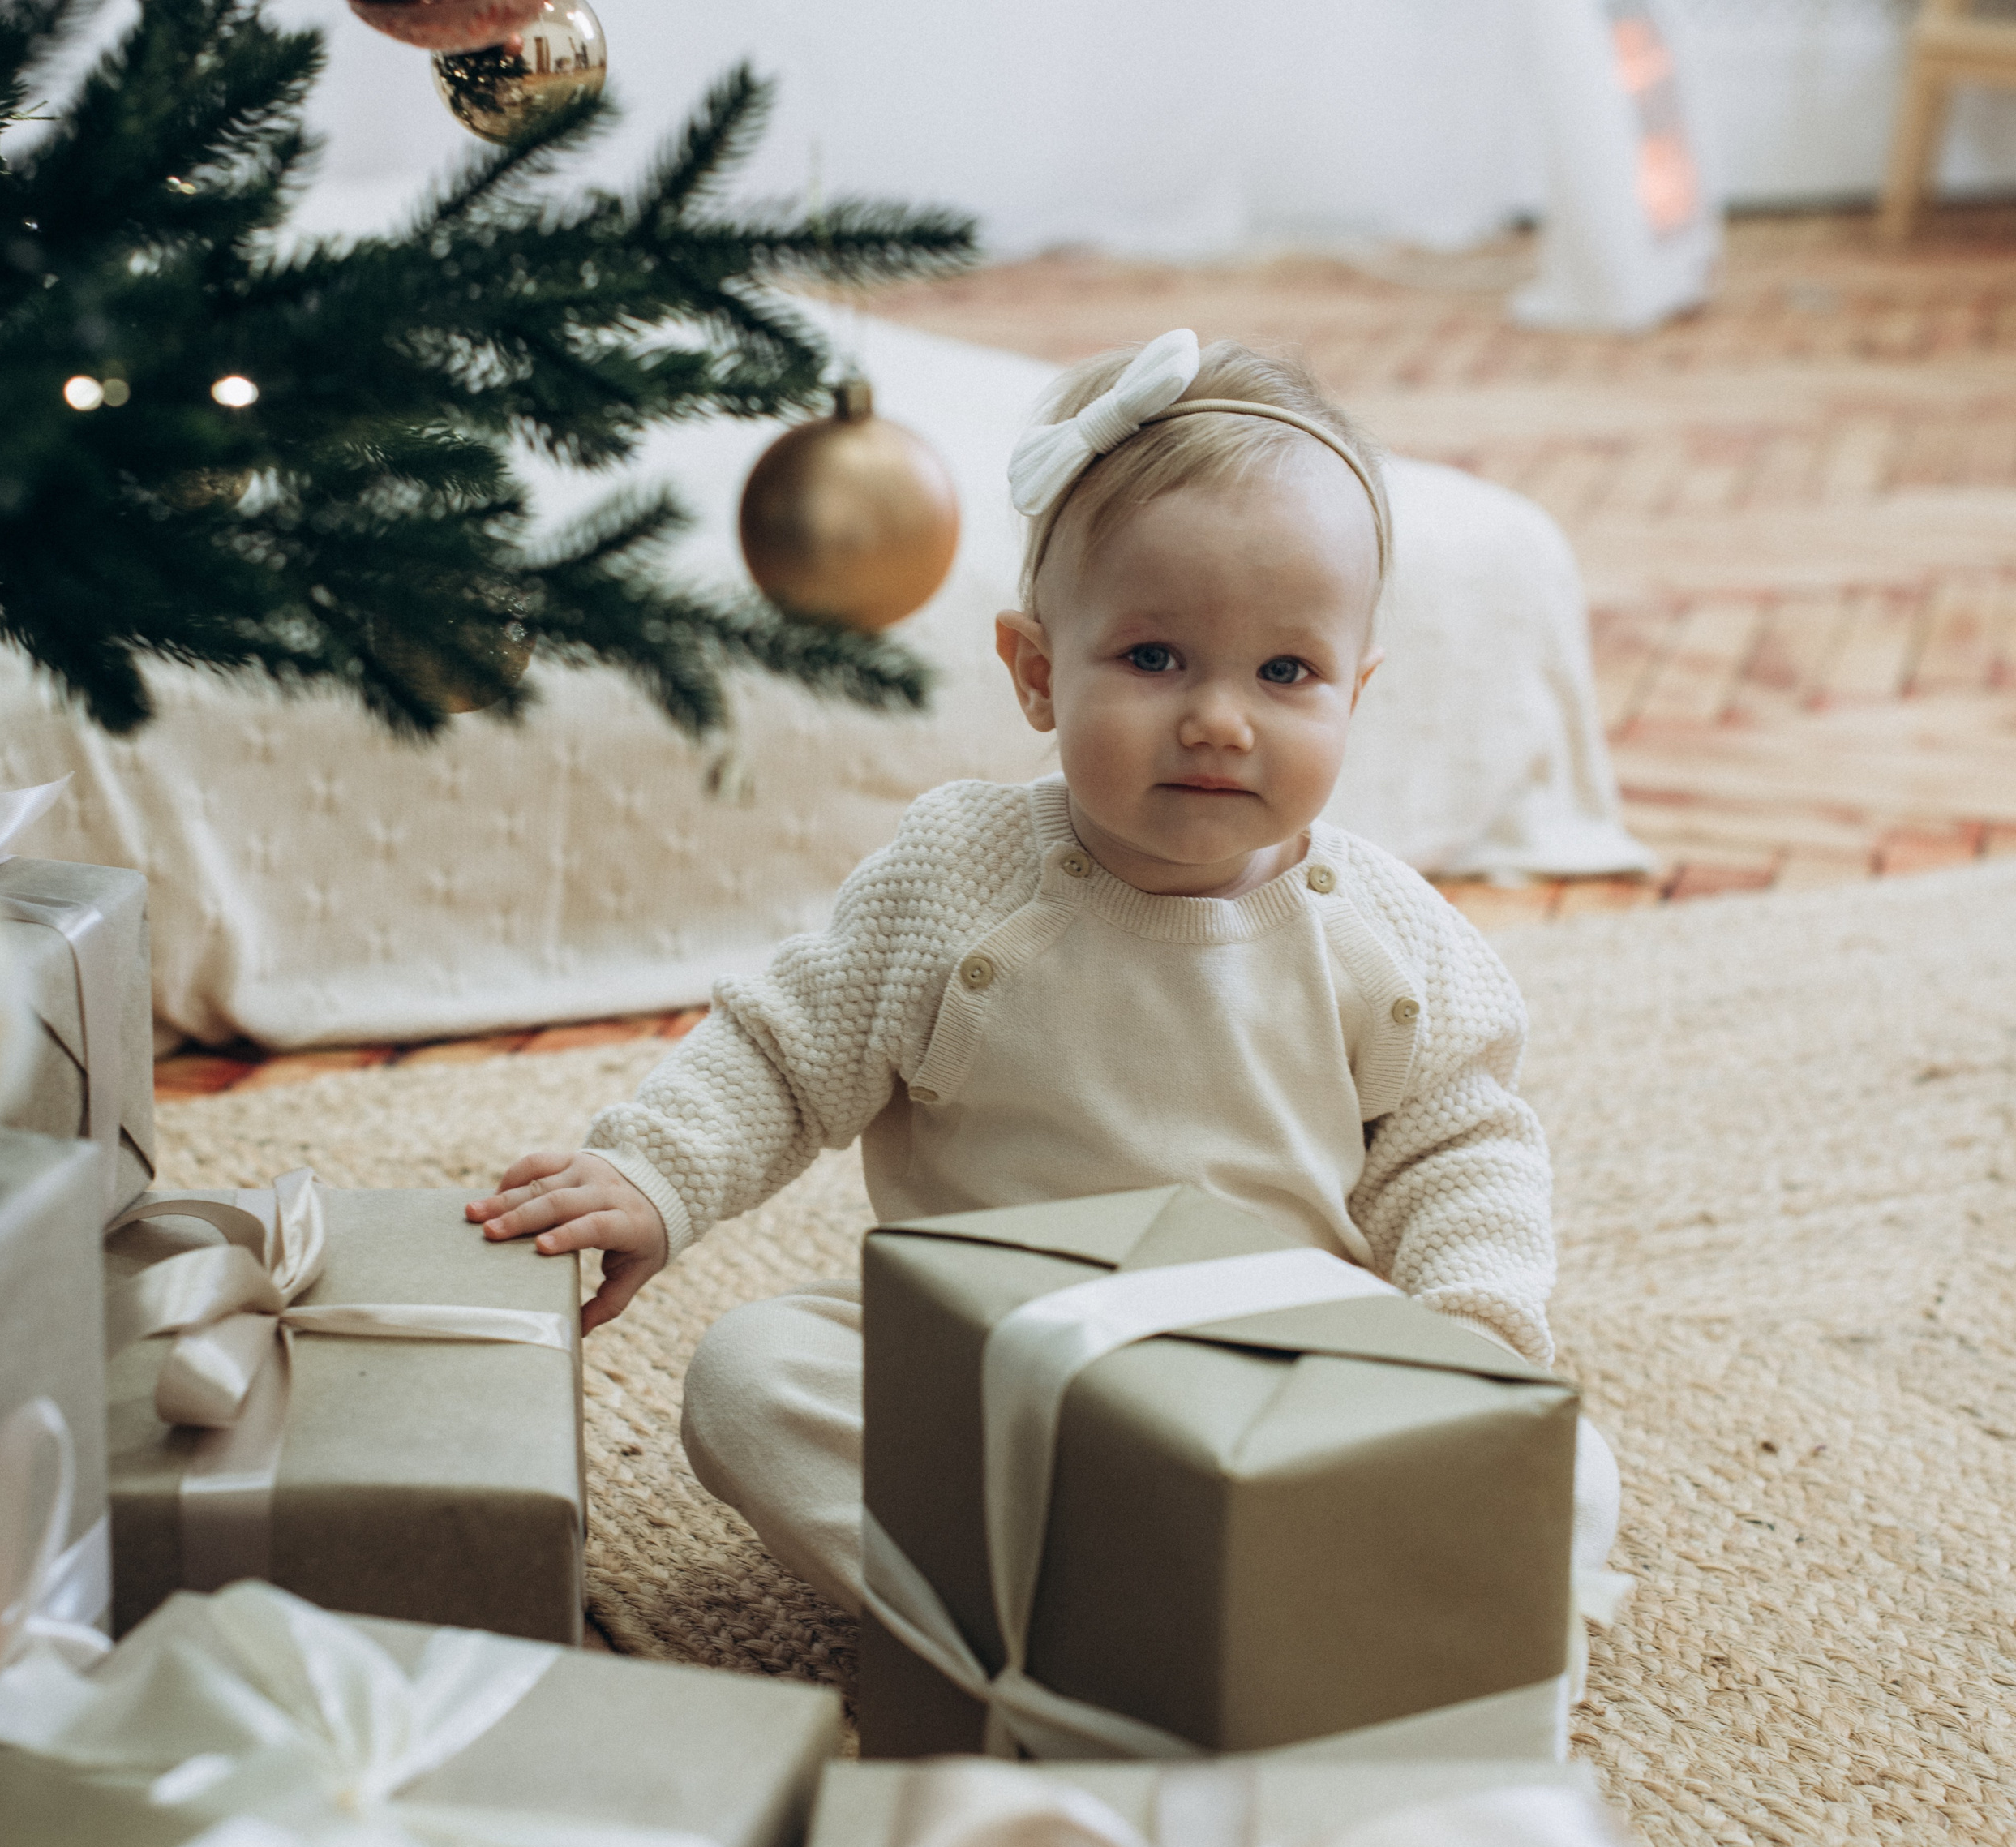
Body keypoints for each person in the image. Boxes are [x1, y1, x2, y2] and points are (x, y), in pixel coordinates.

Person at [467, 329, 1620, 1615]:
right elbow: (784, 1052)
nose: (1218, 719)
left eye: (1284, 673)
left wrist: (1468, 1327)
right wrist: (654, 1171)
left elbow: (1461, 1145)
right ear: (1035, 673)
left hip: (1281, 1362)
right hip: (999, 1358)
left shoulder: (1386, 930)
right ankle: (1089, 1615)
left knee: (1570, 1473)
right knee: (750, 1379)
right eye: (1152, 658)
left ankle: (1224, 1581)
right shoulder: (959, 877)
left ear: (1358, 688)